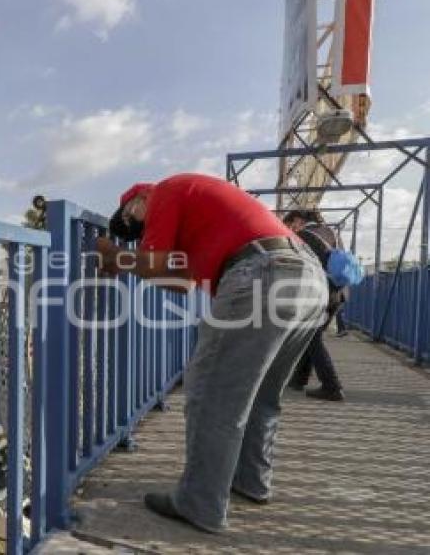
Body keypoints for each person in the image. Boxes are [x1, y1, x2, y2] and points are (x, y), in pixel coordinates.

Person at [96, 174, 327, 533]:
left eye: (131, 220)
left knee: (210, 393)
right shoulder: (197, 215)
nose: (138, 231)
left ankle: (200, 503)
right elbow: (181, 283)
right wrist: (130, 262)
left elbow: (153, 264)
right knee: (263, 395)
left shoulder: (165, 191)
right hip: (308, 279)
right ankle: (251, 482)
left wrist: (115, 257)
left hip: (261, 272)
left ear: (137, 199)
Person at [283, 210, 346, 401]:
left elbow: (297, 267)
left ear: (299, 221)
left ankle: (332, 386)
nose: (289, 228)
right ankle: (299, 379)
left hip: (319, 294)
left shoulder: (304, 236)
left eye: (290, 224)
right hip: (337, 294)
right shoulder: (331, 234)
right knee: (310, 336)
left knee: (312, 338)